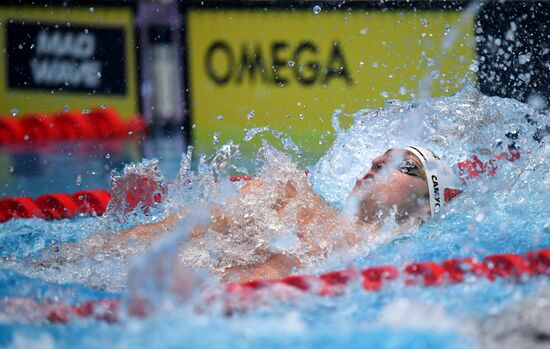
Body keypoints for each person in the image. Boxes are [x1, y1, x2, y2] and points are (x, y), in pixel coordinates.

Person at [110, 146, 462, 283]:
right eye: (379, 157)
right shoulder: (289, 194)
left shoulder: (398, 255)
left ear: (427, 204)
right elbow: (166, 231)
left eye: (404, 164)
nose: (379, 162)